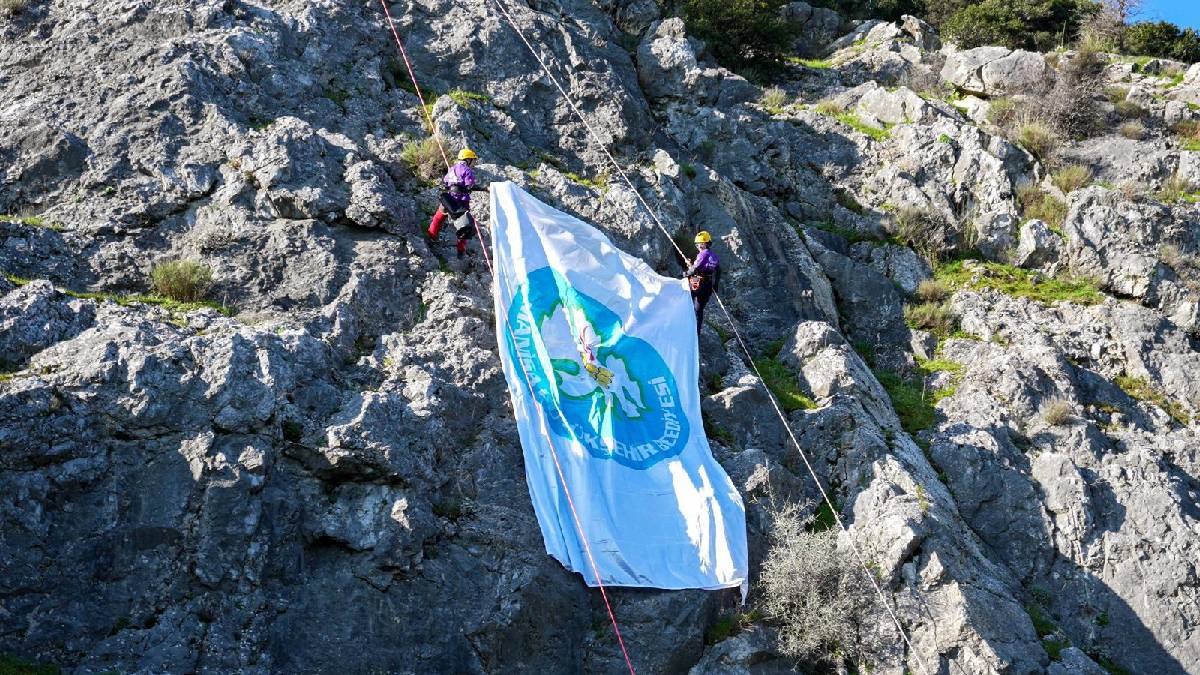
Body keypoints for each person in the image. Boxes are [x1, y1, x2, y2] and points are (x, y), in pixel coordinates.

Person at [428, 148, 485, 258]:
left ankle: (431, 236)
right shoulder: (467, 171)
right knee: (465, 226)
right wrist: (484, 189)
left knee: (438, 217)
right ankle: (460, 251)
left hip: (448, 198)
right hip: (461, 201)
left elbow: (445, 182)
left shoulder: (452, 169)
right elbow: (470, 186)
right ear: (468, 159)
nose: (474, 163)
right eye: (473, 160)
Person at [684, 231, 719, 333]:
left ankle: (686, 326)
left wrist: (685, 273)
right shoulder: (714, 256)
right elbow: (718, 271)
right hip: (708, 286)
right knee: (699, 310)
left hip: (697, 283)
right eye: (697, 245)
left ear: (706, 244)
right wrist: (715, 285)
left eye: (700, 244)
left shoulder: (702, 254)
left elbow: (694, 270)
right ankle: (697, 331)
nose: (698, 246)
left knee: (687, 302)